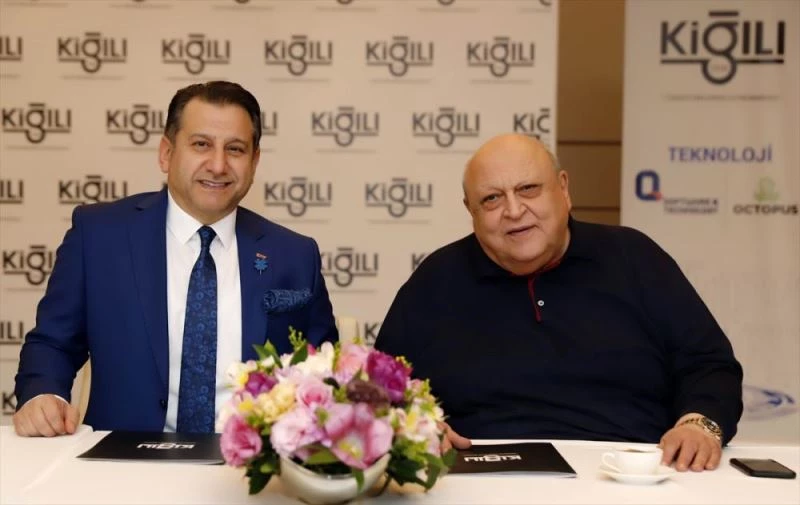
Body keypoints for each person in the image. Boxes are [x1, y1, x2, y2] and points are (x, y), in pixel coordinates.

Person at [375, 133, 743, 472]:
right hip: (477, 478)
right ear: (471, 210)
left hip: (629, 477)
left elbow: (709, 365)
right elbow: (379, 387)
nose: (514, 210)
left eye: (528, 189)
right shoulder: (436, 280)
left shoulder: (634, 258)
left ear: (563, 189)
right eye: (492, 199)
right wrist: (413, 426)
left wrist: (700, 424)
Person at [14, 81, 338, 436]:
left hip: (250, 463)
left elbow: (327, 373)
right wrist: (42, 395)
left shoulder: (294, 255)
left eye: (235, 149)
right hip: (120, 460)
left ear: (254, 161)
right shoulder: (99, 235)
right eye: (201, 145)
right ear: (166, 153)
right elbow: (53, 343)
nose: (218, 165)